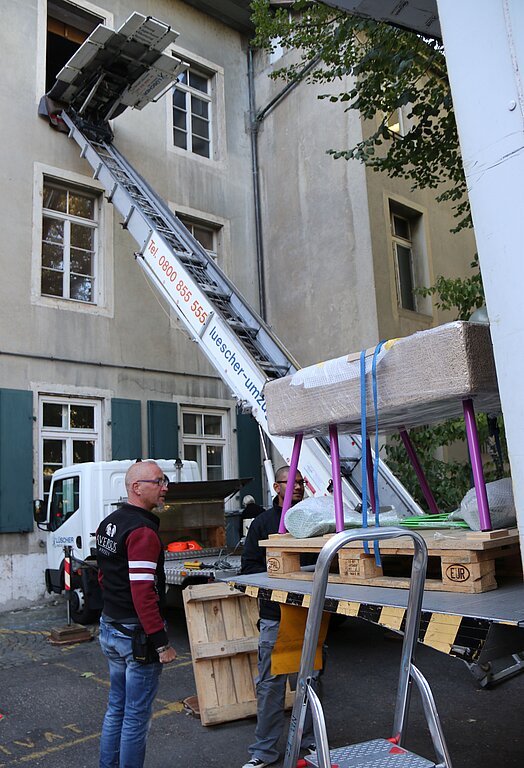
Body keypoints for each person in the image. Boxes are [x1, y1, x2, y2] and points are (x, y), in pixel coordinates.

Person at [96, 460, 177, 768]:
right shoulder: (142, 531)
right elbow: (143, 592)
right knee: (135, 718)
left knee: (116, 708)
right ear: (136, 487)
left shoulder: (111, 522)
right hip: (136, 639)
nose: (165, 487)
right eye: (159, 481)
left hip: (111, 629)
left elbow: (104, 575)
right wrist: (160, 642)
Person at [240, 465, 318, 768]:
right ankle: (264, 751)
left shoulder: (314, 520)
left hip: (310, 615)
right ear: (277, 486)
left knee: (310, 682)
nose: (297, 487)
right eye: (291, 482)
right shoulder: (263, 523)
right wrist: (281, 580)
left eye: (301, 482)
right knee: (271, 685)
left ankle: (311, 743)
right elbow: (249, 568)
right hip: (275, 615)